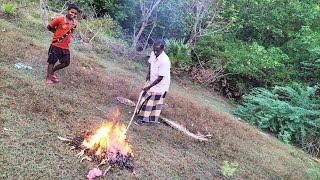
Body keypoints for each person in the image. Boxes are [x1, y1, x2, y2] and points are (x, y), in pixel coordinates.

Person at [134, 39, 171, 126]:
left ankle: (143, 119)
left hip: (160, 85)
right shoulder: (153, 54)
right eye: (154, 49)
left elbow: (160, 78)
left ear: (162, 49)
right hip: (152, 80)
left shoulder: (165, 61)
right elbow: (150, 64)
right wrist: (148, 74)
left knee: (151, 102)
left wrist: (149, 87)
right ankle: (140, 114)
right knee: (144, 97)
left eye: (157, 50)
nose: (155, 52)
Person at [45, 4, 79, 86]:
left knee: (66, 62)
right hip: (56, 45)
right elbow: (49, 27)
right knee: (52, 61)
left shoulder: (74, 23)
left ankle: (52, 72)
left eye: (75, 14)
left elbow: (70, 32)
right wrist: (56, 32)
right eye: (72, 12)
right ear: (68, 11)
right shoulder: (60, 19)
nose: (73, 14)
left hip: (65, 47)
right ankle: (48, 78)